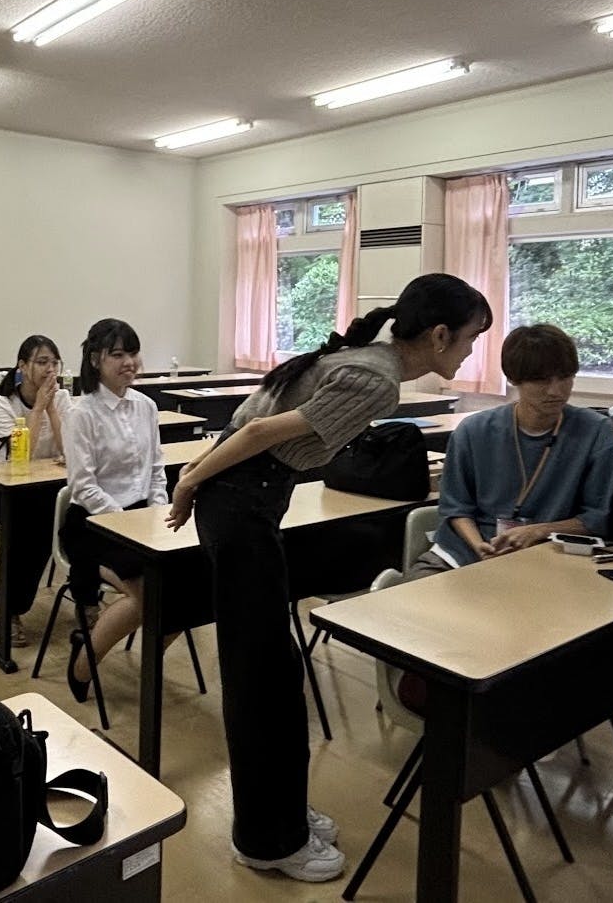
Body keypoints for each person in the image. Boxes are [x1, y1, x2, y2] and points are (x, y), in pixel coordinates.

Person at [166, 273, 492, 883]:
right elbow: (255, 432)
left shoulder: (369, 361)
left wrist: (198, 480)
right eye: (471, 337)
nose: (473, 351)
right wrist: (188, 481)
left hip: (246, 501)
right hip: (240, 505)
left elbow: (252, 424)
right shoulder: (377, 379)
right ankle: (267, 839)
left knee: (274, 671)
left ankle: (282, 812)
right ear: (439, 334)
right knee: (260, 679)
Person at [407, 323, 613, 578]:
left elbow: (596, 517)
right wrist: (480, 547)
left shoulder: (595, 432)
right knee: (414, 590)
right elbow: (456, 508)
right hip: (464, 551)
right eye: (541, 380)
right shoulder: (473, 431)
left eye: (565, 377)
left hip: (546, 555)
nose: (556, 390)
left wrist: (537, 531)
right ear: (513, 379)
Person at [61, 319, 169, 698]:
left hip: (142, 518)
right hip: (94, 525)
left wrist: (157, 512)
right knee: (149, 596)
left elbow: (156, 469)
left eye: (133, 353)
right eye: (118, 354)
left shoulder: (146, 406)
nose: (129, 362)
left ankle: (151, 655)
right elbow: (84, 486)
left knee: (188, 587)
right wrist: (128, 523)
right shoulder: (82, 413)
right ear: (95, 360)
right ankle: (83, 662)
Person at [0, 335, 71, 646]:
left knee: (82, 514)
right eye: (42, 362)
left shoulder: (62, 398)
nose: (50, 369)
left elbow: (67, 449)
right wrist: (40, 407)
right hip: (1, 488)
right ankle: (7, 604)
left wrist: (53, 409)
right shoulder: (0, 403)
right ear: (22, 366)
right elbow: (23, 455)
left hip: (45, 486)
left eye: (54, 363)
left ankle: (86, 595)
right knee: (37, 524)